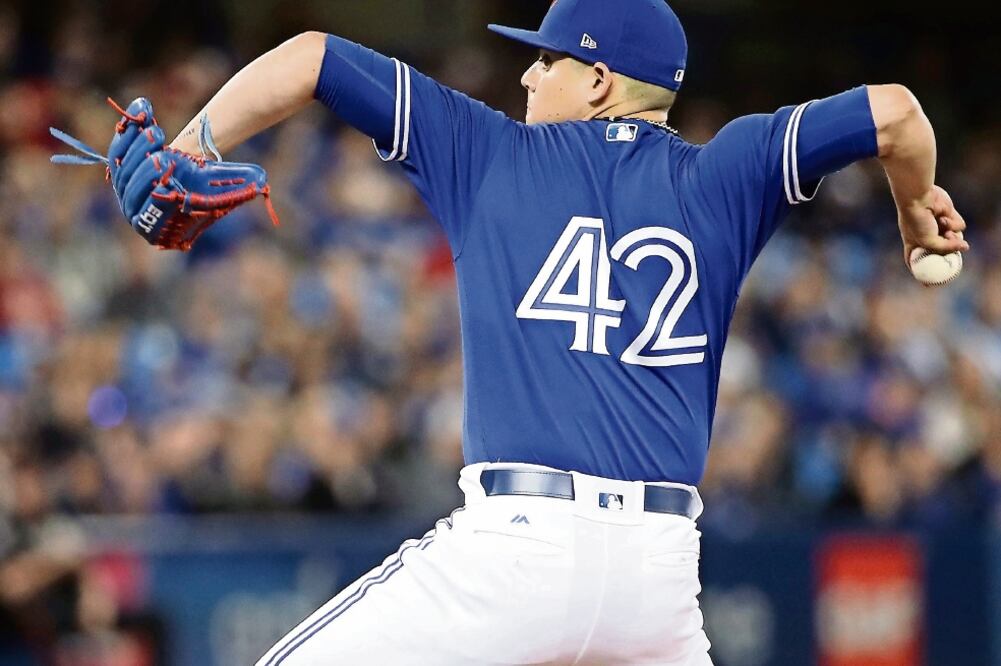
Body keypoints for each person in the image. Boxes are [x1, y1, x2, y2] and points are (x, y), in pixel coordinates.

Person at [141, 0, 968, 663]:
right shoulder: (729, 171)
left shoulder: (487, 152)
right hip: (659, 579)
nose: (529, 77)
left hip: (512, 556)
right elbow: (895, 114)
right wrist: (912, 210)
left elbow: (314, 56)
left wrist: (190, 144)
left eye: (547, 59)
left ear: (600, 80)